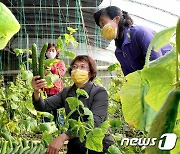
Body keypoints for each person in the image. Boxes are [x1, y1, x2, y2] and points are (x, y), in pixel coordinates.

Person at [32, 55, 114, 154]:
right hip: (76, 143)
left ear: (91, 72)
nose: (77, 70)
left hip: (99, 144)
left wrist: (64, 136)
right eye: (75, 67)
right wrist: (37, 92)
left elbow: (95, 122)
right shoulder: (67, 92)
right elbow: (43, 106)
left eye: (82, 67)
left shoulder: (99, 92)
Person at [94, 6, 172, 76]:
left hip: (170, 77)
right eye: (101, 27)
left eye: (103, 23)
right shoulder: (119, 52)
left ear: (116, 19)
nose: (103, 29)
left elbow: (157, 64)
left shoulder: (141, 33)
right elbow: (130, 78)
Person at [44, 43, 66, 123]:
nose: (50, 52)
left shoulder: (60, 62)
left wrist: (52, 68)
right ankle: (47, 129)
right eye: (49, 51)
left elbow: (62, 73)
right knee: (46, 112)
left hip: (57, 91)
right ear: (45, 52)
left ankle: (60, 128)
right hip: (46, 92)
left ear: (56, 52)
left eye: (53, 50)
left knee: (58, 112)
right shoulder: (43, 63)